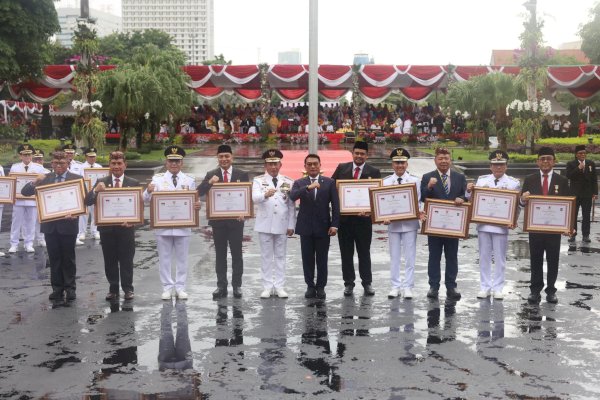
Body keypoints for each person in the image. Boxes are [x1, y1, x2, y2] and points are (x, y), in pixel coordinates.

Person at [21, 151, 83, 301]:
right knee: (54, 259)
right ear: (51, 164)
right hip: (50, 226)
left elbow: (83, 201)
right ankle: (57, 289)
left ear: (68, 163)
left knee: (68, 258)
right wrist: (34, 182)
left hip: (68, 225)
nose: (59, 165)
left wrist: (77, 213)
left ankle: (70, 288)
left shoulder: (77, 179)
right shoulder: (44, 178)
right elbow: (25, 192)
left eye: (62, 163)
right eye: (56, 163)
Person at [144, 145, 199, 300]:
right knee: (164, 258)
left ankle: (180, 287)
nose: (174, 164)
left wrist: (197, 205)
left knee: (182, 259)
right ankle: (167, 287)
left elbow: (194, 201)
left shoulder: (189, 180)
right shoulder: (157, 179)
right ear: (166, 162)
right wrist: (148, 191)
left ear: (182, 163)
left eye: (177, 161)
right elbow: (145, 199)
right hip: (163, 227)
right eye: (171, 161)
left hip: (183, 227)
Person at [466, 151, 521, 300]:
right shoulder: (482, 181)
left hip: (502, 226)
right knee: (484, 257)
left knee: (500, 258)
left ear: (506, 166)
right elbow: (471, 199)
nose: (498, 167)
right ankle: (484, 287)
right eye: (495, 165)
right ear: (490, 166)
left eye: (501, 164)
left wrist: (514, 220)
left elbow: (517, 205)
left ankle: (498, 287)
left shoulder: (513, 183)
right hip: (484, 225)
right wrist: (468, 190)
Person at [85, 151, 140, 301]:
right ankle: (113, 289)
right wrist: (96, 190)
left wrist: (133, 221)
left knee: (127, 260)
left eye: (119, 163)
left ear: (125, 165)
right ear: (109, 165)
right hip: (107, 229)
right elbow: (87, 201)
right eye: (113, 163)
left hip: (126, 228)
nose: (116, 166)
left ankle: (128, 289)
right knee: (110, 260)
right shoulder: (101, 181)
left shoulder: (133, 182)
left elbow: (139, 207)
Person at [198, 144, 249, 299]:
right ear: (217, 158)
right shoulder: (211, 174)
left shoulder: (242, 174)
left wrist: (245, 214)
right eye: (221, 157)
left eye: (227, 156)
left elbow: (247, 196)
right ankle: (221, 286)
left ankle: (237, 286)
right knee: (220, 255)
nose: (224, 159)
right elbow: (199, 192)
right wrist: (210, 183)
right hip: (218, 222)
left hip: (236, 222)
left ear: (231, 157)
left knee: (236, 255)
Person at [520, 147, 571, 304]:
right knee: (535, 259)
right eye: (542, 159)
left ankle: (551, 290)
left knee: (553, 259)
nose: (545, 161)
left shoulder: (561, 181)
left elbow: (569, 204)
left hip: (553, 230)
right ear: (537, 162)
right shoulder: (530, 179)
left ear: (554, 161)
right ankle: (535, 291)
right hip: (535, 229)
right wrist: (523, 198)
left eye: (549, 158)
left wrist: (569, 226)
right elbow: (522, 203)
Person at [331, 141, 381, 296]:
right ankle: (349, 283)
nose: (359, 156)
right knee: (346, 254)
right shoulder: (342, 168)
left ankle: (367, 283)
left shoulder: (374, 171)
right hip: (345, 221)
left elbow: (377, 196)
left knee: (364, 253)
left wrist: (371, 211)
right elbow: (332, 188)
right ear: (352, 153)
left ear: (367, 155)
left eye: (362, 154)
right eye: (357, 153)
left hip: (364, 221)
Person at [290, 154, 340, 300]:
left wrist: (335, 225)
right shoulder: (300, 182)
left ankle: (321, 286)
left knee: (322, 259)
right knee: (307, 259)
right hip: (305, 227)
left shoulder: (329, 182)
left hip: (323, 227)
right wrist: (308, 187)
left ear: (320, 165)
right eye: (309, 164)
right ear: (305, 166)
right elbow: (292, 196)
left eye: (315, 164)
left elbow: (336, 206)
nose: (312, 166)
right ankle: (310, 286)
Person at [420, 147, 467, 301]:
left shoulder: (460, 177)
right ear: (435, 160)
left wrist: (463, 198)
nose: (444, 161)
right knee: (434, 256)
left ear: (450, 160)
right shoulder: (428, 177)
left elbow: (465, 196)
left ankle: (451, 286)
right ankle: (433, 286)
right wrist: (429, 187)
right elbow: (423, 197)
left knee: (452, 256)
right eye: (440, 158)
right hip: (434, 225)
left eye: (446, 158)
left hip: (453, 225)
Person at [252, 149, 296, 299]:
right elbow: (254, 198)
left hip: (282, 224)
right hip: (265, 224)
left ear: (280, 164)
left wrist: (291, 225)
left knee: (280, 256)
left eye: (275, 163)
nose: (273, 167)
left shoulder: (289, 181)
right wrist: (265, 194)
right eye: (270, 164)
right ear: (265, 165)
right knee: (266, 256)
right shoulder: (258, 181)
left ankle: (279, 286)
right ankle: (266, 286)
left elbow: (291, 206)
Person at [382, 148, 422, 299]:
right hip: (393, 225)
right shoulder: (385, 182)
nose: (400, 165)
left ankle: (408, 286)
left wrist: (420, 211)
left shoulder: (415, 181)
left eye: (402, 162)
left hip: (410, 224)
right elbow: (382, 203)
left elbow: (418, 202)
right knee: (395, 256)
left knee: (410, 257)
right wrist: (383, 217)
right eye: (397, 162)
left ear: (407, 164)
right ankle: (395, 286)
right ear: (392, 164)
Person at [9, 143, 46, 253]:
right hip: (18, 199)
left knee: (31, 221)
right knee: (16, 222)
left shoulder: (39, 168)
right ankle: (13, 243)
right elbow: (12, 183)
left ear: (32, 156)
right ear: (20, 156)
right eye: (25, 155)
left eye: (29, 155)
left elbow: (42, 183)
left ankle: (29, 243)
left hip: (32, 200)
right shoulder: (15, 167)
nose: (27, 157)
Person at [566, 145, 597, 244]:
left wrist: (595, 193)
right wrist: (578, 168)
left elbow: (594, 180)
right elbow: (569, 176)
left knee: (586, 215)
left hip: (587, 194)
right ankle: (572, 234)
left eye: (584, 153)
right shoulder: (571, 164)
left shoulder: (590, 163)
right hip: (575, 194)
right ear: (576, 155)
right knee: (573, 215)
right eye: (580, 153)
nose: (583, 155)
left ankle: (586, 235)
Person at [78, 147, 103, 243]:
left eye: (94, 157)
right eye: (90, 157)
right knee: (84, 213)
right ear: (86, 157)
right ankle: (82, 232)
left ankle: (95, 231)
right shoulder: (81, 167)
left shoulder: (100, 167)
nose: (92, 158)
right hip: (84, 192)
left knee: (95, 212)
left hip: (95, 192)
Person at [32, 149, 50, 248]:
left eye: (40, 159)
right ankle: (29, 241)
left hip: (42, 199)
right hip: (28, 199)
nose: (38, 162)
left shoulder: (47, 172)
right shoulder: (29, 171)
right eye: (36, 159)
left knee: (41, 220)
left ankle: (41, 239)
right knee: (29, 221)